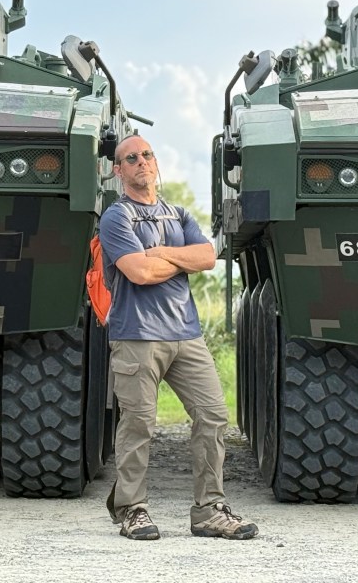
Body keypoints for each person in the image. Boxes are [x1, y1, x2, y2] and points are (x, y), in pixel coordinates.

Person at [98, 134, 258, 541]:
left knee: (213, 417)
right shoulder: (117, 218)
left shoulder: (178, 213)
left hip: (186, 335)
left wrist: (158, 254)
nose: (141, 162)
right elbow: (138, 273)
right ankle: (132, 509)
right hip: (136, 336)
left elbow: (207, 257)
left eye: (146, 155)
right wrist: (175, 258)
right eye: (130, 158)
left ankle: (209, 511)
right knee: (139, 424)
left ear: (155, 162)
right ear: (119, 171)